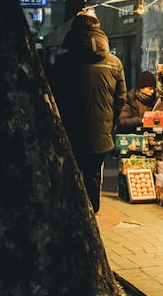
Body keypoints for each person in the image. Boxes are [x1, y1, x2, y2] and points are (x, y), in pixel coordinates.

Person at [50, 11, 126, 213]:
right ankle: (92, 213)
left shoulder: (63, 62)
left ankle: (72, 216)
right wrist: (109, 123)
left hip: (69, 132)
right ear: (98, 30)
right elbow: (120, 100)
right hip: (99, 134)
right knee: (93, 176)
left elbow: (53, 97)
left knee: (70, 176)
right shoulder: (114, 62)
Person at [115, 70, 163, 135]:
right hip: (133, 136)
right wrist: (141, 120)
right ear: (141, 88)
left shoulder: (154, 101)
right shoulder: (130, 100)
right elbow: (122, 122)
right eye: (150, 89)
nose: (152, 91)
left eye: (153, 89)